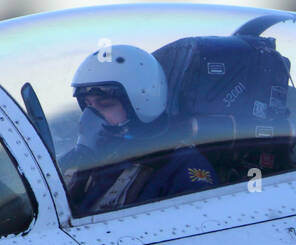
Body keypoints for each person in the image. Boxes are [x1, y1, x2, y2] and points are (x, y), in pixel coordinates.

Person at [58, 44, 216, 216]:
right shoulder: (81, 159)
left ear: (143, 103)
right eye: (88, 105)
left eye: (105, 105)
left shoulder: (179, 168)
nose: (90, 117)